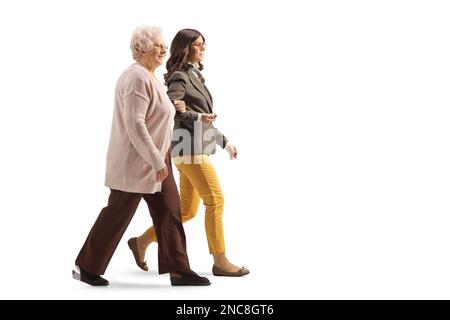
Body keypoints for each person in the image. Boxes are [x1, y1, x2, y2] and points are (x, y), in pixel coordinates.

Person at [72, 26, 210, 286]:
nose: (163, 49)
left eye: (163, 45)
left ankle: (179, 270)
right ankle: (86, 266)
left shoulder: (150, 77)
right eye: (157, 45)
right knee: (117, 214)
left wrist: (175, 107)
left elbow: (157, 113)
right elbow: (136, 124)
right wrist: (156, 161)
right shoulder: (135, 77)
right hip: (136, 161)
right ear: (142, 48)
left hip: (159, 157)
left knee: (170, 211)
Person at [128, 28, 249, 277]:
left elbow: (203, 118)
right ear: (185, 48)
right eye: (197, 44)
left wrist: (225, 142)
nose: (202, 48)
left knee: (187, 210)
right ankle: (220, 260)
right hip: (188, 147)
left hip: (191, 147)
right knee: (215, 200)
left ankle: (141, 241)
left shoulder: (195, 76)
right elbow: (171, 107)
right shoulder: (180, 76)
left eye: (204, 43)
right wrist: (195, 115)